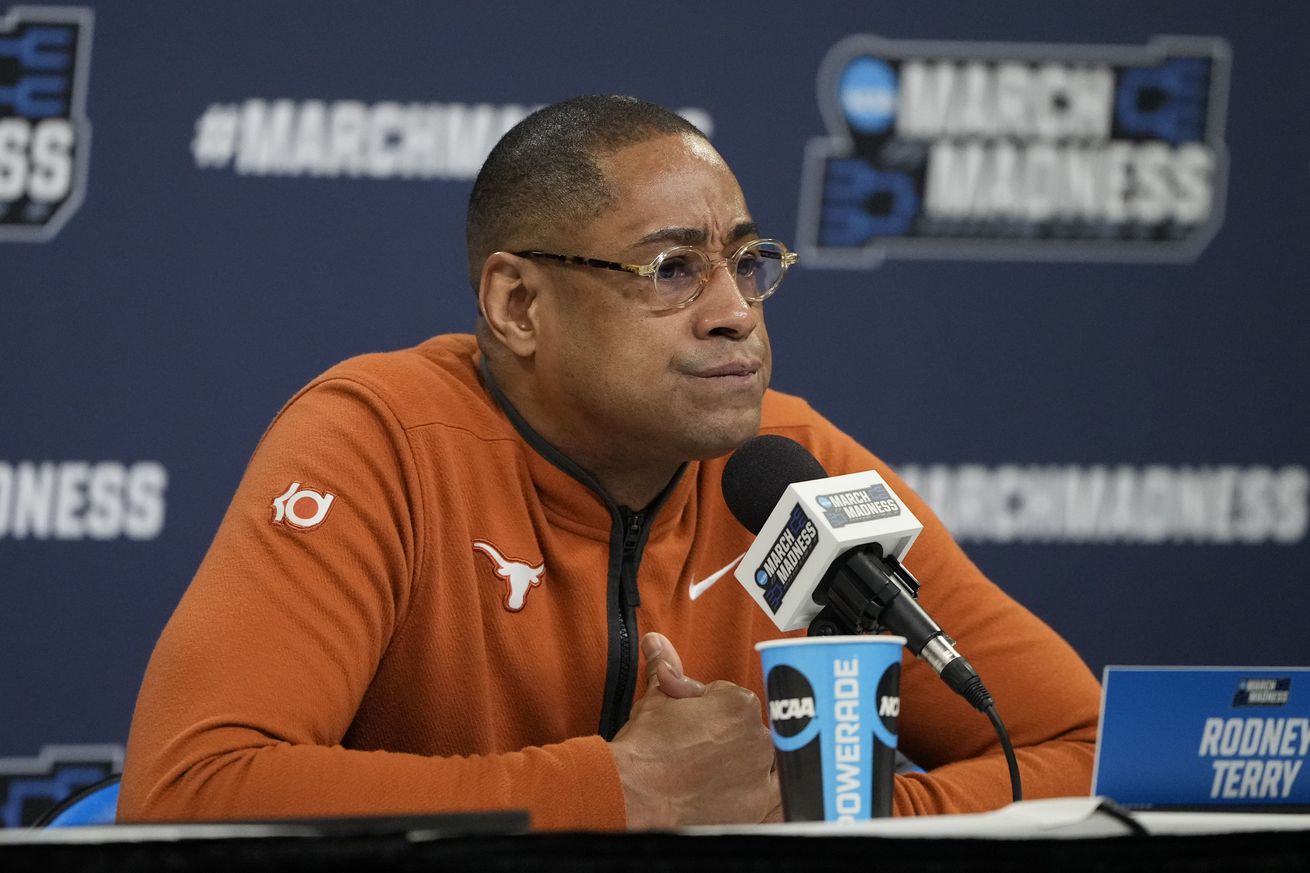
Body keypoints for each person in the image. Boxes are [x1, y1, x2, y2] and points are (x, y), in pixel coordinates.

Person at [118, 95, 1100, 830]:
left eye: (746, 261)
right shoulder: (381, 443)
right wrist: (619, 791)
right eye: (670, 269)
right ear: (517, 308)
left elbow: (1081, 747)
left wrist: (805, 814)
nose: (732, 311)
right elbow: (188, 792)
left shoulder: (791, 465)